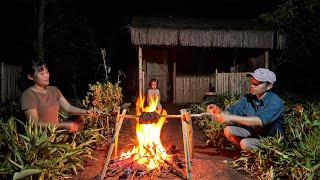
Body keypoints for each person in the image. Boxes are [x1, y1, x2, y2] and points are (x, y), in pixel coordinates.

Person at [207, 68, 285, 150]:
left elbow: (259, 121)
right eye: (252, 82)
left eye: (256, 84)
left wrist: (231, 118)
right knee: (228, 130)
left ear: (269, 86)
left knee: (245, 143)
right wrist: (219, 112)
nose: (252, 85)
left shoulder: (275, 101)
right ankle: (244, 151)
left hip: (271, 140)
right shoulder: (248, 98)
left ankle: (255, 152)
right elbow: (232, 111)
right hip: (254, 134)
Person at [20, 60, 99, 133]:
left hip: (56, 134)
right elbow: (35, 124)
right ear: (30, 77)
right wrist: (63, 125)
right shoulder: (28, 95)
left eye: (47, 72)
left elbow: (68, 107)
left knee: (80, 118)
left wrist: (87, 111)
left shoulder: (54, 90)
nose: (46, 76)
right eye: (42, 74)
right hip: (41, 140)